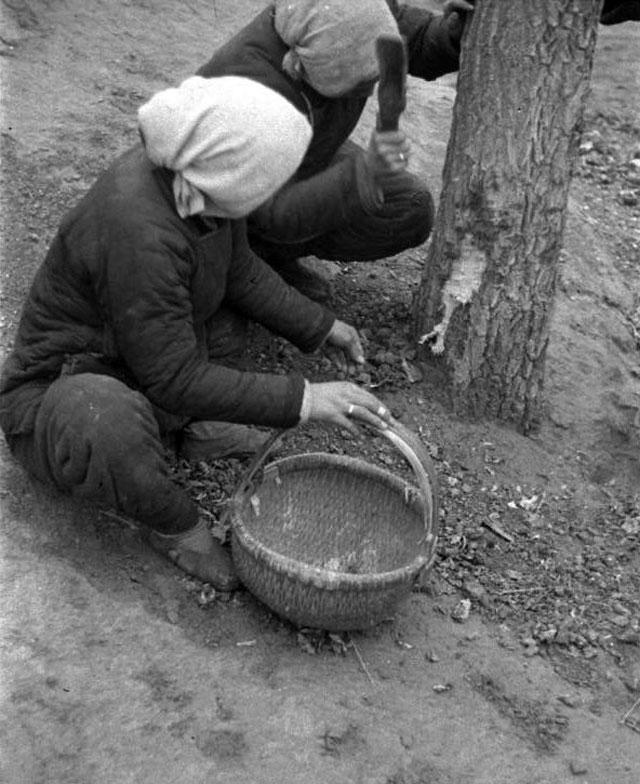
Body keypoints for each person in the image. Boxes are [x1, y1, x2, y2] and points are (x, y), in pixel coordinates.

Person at [0, 75, 392, 591]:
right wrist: (306, 399)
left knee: (226, 325)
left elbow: (239, 271)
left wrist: (320, 328)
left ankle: (184, 431)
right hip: (59, 393)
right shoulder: (141, 231)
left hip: (130, 356)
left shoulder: (197, 183)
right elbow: (173, 376)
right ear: (234, 175)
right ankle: (172, 525)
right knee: (103, 421)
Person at [196, 0, 475, 300]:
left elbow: (414, 40)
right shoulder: (249, 92)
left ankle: (267, 256)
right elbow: (269, 211)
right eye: (361, 80)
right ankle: (248, 264)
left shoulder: (358, 11)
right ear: (312, 62)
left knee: (409, 206)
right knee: (223, 324)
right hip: (225, 203)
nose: (371, 90)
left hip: (306, 155)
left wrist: (452, 34)